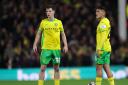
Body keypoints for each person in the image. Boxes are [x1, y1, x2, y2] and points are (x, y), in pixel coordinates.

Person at [33, 5, 68, 85]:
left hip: (56, 49)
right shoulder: (43, 22)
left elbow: (63, 34)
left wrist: (65, 45)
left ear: (53, 12)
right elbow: (38, 34)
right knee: (42, 68)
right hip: (46, 49)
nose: (48, 13)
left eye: (49, 11)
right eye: (47, 11)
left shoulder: (58, 22)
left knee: (56, 69)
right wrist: (35, 44)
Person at [95, 6, 115, 85]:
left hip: (102, 49)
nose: (96, 13)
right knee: (107, 68)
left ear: (103, 13)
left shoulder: (103, 23)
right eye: (96, 11)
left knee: (98, 69)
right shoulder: (105, 21)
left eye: (98, 11)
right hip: (107, 48)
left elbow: (103, 37)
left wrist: (99, 49)